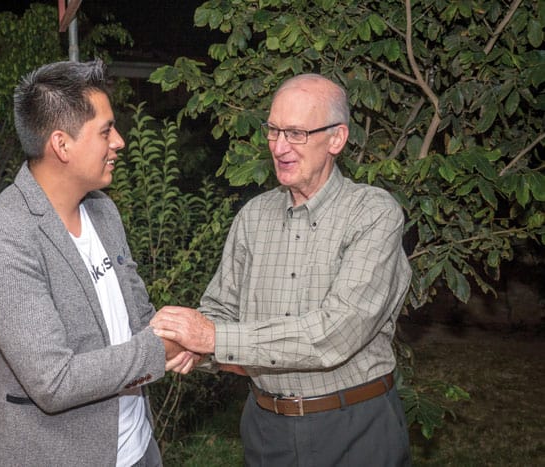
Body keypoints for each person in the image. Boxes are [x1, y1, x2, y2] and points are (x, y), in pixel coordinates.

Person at [151, 74, 412, 466]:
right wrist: (190, 346)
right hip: (265, 428)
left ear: (337, 139)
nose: (279, 146)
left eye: (296, 133)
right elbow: (220, 314)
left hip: (354, 426)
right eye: (273, 130)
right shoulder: (253, 217)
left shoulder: (373, 214)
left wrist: (210, 337)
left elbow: (335, 334)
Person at [0, 59, 191, 467]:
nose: (119, 141)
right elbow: (54, 381)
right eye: (106, 130)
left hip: (139, 449)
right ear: (61, 144)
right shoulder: (1, 235)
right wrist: (158, 350)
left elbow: (138, 314)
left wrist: (185, 339)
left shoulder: (103, 211)